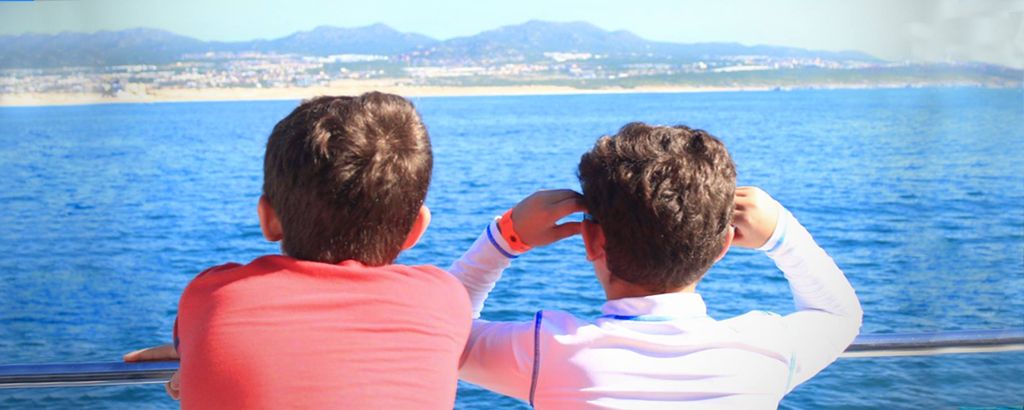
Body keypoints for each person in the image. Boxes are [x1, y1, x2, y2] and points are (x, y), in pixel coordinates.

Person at [449, 123, 863, 409]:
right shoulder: (766, 350)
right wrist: (782, 233)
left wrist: (506, 237)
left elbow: (437, 331)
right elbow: (840, 315)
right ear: (723, 246)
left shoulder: (547, 353)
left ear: (591, 240)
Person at [124, 93, 472, 409]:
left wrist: (202, 349)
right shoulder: (445, 299)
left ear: (267, 218)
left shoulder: (210, 296)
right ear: (416, 229)